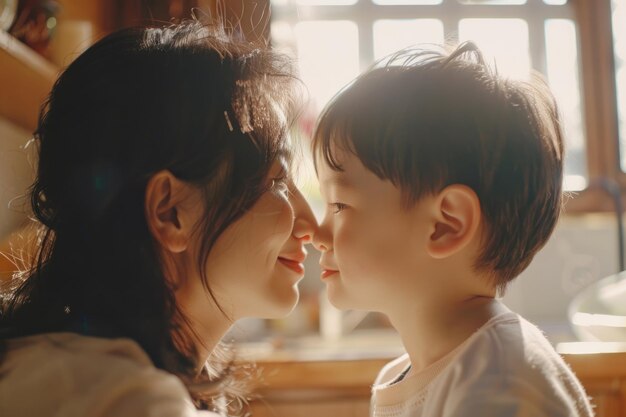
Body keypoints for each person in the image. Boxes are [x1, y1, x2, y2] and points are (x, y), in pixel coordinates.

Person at [0, 19, 317, 417]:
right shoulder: (128, 400)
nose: (313, 227)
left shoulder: (65, 368)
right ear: (170, 212)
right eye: (278, 184)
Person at [311, 42, 594, 417]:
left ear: (446, 225)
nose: (317, 233)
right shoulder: (419, 372)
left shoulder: (497, 381)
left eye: (340, 205)